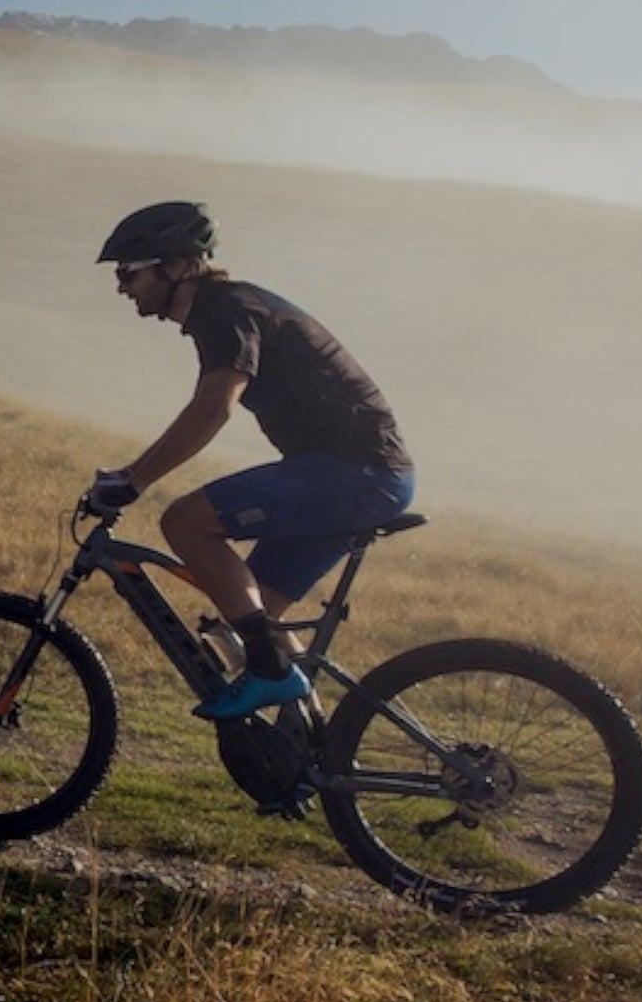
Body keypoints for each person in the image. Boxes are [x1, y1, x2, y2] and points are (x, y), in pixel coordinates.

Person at [90, 200, 415, 720]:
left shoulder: (226, 311)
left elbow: (212, 410)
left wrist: (134, 481)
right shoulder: (222, 310)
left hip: (355, 473)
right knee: (248, 620)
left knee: (185, 522)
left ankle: (270, 675)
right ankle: (316, 755)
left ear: (176, 265)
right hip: (360, 474)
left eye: (130, 272)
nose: (121, 286)